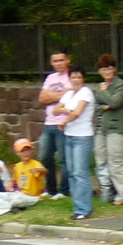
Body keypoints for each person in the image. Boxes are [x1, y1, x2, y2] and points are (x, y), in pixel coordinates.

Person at [53, 67, 96, 219]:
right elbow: (55, 110)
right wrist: (65, 111)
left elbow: (77, 113)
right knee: (71, 173)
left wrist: (64, 120)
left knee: (80, 172)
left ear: (83, 79)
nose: (76, 80)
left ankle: (84, 209)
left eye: (79, 77)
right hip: (69, 136)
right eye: (73, 77)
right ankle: (78, 207)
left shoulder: (85, 92)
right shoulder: (69, 94)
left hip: (82, 137)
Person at [92, 53, 123, 205]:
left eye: (110, 68)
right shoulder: (99, 86)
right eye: (104, 69)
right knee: (101, 160)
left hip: (116, 128)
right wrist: (105, 106)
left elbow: (115, 103)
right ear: (99, 71)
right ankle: (107, 190)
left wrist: (104, 94)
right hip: (100, 128)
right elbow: (95, 107)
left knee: (116, 162)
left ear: (114, 69)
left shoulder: (120, 85)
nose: (107, 72)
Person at [36, 50, 72, 199]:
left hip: (63, 124)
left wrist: (51, 96)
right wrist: (59, 96)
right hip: (49, 123)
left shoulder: (72, 76)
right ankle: (51, 189)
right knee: (45, 157)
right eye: (55, 61)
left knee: (63, 159)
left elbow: (69, 96)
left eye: (61, 60)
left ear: (67, 60)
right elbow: (41, 99)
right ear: (51, 63)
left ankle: (64, 191)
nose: (58, 63)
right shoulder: (50, 77)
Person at [0, 139, 46, 215]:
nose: (26, 153)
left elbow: (45, 171)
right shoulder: (17, 166)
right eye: (22, 151)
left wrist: (38, 170)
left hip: (33, 197)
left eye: (28, 150)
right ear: (17, 153)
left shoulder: (35, 164)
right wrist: (10, 184)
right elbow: (14, 180)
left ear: (31, 150)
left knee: (15, 201)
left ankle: (6, 208)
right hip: (19, 194)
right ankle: (8, 210)